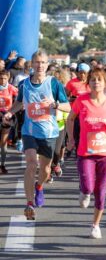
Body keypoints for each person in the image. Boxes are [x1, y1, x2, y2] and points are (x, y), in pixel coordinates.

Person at [3, 49, 70, 220]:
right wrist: (10, 113)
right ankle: (29, 203)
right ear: (31, 64)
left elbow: (68, 107)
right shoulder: (24, 84)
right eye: (37, 62)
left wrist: (55, 105)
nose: (40, 65)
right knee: (32, 164)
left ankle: (39, 186)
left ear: (47, 65)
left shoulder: (54, 83)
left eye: (43, 62)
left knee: (46, 169)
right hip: (29, 131)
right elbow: (19, 103)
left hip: (49, 132)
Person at [66, 68, 106, 238]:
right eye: (93, 80)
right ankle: (84, 191)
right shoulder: (81, 101)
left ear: (105, 83)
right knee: (89, 186)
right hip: (86, 152)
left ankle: (95, 225)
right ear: (88, 83)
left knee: (101, 189)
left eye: (99, 79)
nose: (96, 82)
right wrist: (71, 139)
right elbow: (70, 118)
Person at [0, 70, 18, 173]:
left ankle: (2, 165)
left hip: (7, 116)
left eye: (5, 78)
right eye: (1, 78)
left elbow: (21, 96)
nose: (2, 80)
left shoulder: (11, 88)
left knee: (3, 141)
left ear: (8, 78)